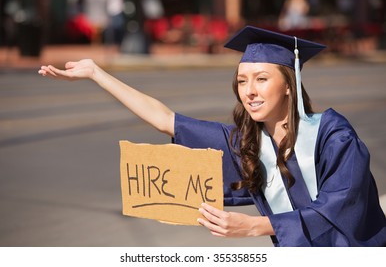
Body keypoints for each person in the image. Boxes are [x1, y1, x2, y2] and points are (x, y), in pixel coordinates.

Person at [38, 25, 386, 247]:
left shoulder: (333, 136)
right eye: (242, 81)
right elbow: (166, 120)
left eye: (261, 79)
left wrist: (255, 226)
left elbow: (341, 206)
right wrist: (97, 74)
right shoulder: (248, 144)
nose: (249, 91)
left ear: (289, 86)